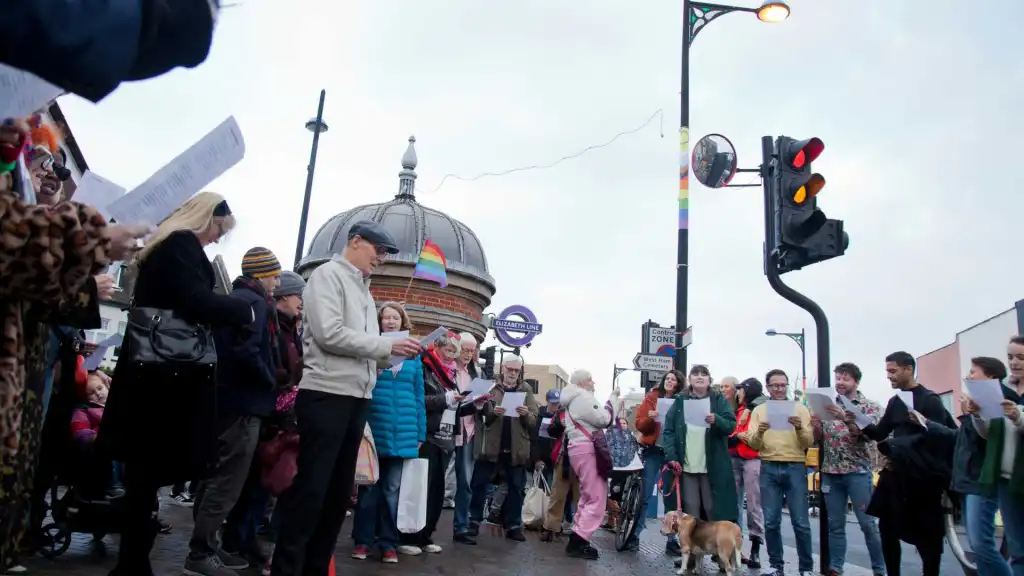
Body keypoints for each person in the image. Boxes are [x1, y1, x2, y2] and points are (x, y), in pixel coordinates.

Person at [96, 192, 254, 576]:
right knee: (148, 472)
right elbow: (195, 300)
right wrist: (240, 308)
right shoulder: (181, 245)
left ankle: (132, 562)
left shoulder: (165, 247)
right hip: (166, 377)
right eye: (219, 228)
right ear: (205, 218)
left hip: (152, 372)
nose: (218, 237)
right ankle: (132, 564)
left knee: (143, 476)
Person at [270, 221, 421, 576]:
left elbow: (360, 345)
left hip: (356, 397)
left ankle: (316, 567)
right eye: (378, 250)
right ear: (355, 242)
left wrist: (393, 354)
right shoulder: (327, 276)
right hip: (326, 394)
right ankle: (287, 568)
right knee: (311, 491)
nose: (381, 259)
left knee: (337, 497)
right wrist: (386, 346)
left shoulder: (365, 291)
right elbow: (329, 333)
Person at [183, 247, 283, 576]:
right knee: (227, 480)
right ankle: (201, 553)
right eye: (275, 275)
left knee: (216, 476)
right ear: (262, 275)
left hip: (226, 400)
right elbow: (248, 351)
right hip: (243, 403)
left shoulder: (236, 299)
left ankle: (206, 547)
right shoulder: (254, 303)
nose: (278, 282)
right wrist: (269, 380)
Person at [860, 351, 957, 576]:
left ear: (908, 369)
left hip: (923, 477)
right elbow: (879, 432)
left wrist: (922, 426)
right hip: (895, 474)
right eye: (887, 371)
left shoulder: (929, 399)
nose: (889, 376)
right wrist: (856, 419)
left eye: (893, 371)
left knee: (927, 536)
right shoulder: (895, 402)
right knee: (887, 528)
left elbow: (941, 438)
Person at [351, 303, 425, 564]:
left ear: (403, 322)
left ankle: (388, 544)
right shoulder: (372, 348)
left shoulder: (414, 356)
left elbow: (419, 396)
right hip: (375, 428)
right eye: (386, 317)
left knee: (392, 491)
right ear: (379, 322)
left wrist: (420, 433)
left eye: (395, 317)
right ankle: (362, 541)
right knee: (368, 490)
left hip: (403, 432)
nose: (391, 321)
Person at [945, 355, 1019, 576]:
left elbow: (992, 439)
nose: (969, 376)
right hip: (969, 478)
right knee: (978, 544)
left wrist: (976, 413)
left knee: (982, 543)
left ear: (991, 376)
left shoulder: (1003, 401)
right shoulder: (977, 403)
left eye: (973, 372)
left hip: (984, 478)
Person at [811, 362, 885, 576]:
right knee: (835, 525)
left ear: (856, 381)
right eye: (838, 378)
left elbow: (871, 434)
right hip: (831, 472)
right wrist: (816, 425)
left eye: (845, 379)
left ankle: (880, 569)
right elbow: (818, 439)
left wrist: (845, 417)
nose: (840, 383)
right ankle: (836, 567)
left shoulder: (868, 406)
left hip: (857, 471)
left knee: (868, 524)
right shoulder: (826, 404)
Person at [663, 364, 738, 571]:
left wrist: (717, 420)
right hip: (687, 466)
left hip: (711, 466)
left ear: (709, 379)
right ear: (689, 379)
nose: (699, 377)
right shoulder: (680, 401)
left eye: (703, 374)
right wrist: (672, 457)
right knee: (691, 513)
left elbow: (731, 425)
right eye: (695, 374)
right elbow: (668, 431)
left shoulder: (718, 400)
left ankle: (724, 558)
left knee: (714, 512)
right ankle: (694, 558)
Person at [742, 369, 815, 576]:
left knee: (801, 522)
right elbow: (754, 444)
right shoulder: (759, 411)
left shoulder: (800, 409)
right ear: (768, 387)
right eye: (775, 385)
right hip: (769, 465)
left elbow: (808, 442)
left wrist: (800, 428)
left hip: (795, 465)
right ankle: (776, 566)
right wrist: (761, 431)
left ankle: (806, 569)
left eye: (783, 385)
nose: (780, 389)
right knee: (771, 521)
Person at [468, 354, 538, 542]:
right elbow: (480, 413)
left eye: (516, 370)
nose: (513, 373)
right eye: (510, 369)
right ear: (503, 368)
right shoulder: (491, 386)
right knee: (479, 484)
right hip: (491, 445)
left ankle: (513, 525)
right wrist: (493, 412)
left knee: (516, 488)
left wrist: (525, 414)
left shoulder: (526, 389)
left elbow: (533, 420)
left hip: (516, 447)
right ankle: (473, 521)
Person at [560, 369, 616, 560]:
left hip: (576, 448)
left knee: (587, 494)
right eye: (590, 380)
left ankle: (578, 534)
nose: (593, 383)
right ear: (583, 383)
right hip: (587, 448)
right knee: (596, 497)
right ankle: (579, 541)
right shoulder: (582, 397)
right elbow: (604, 419)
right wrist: (613, 401)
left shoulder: (571, 399)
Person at [634, 369, 683, 554]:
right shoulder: (652, 397)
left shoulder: (682, 401)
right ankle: (635, 535)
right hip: (654, 449)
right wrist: (650, 418)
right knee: (645, 494)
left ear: (678, 383)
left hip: (672, 451)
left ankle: (672, 540)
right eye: (668, 378)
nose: (670, 381)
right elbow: (640, 425)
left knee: (671, 498)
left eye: (674, 379)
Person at [728, 378, 766, 568]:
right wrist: (736, 437)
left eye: (741, 390)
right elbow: (730, 432)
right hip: (734, 457)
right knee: (733, 504)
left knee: (753, 503)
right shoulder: (737, 410)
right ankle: (735, 545)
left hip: (752, 458)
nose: (737, 393)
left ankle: (756, 548)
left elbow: (764, 399)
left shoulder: (757, 408)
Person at [452, 332, 482, 545]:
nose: (468, 354)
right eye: (465, 350)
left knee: (466, 482)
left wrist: (483, 403)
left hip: (469, 431)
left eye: (472, 351)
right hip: (447, 429)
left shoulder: (476, 373)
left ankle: (461, 527)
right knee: (435, 481)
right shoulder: (448, 369)